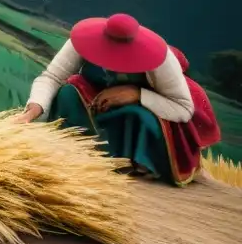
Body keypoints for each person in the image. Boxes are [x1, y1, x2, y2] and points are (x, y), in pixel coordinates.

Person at [14, 13, 221, 185]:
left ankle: (132, 160)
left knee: (138, 116)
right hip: (96, 105)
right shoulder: (80, 42)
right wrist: (34, 109)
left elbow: (183, 109)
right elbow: (52, 77)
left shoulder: (162, 59)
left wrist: (136, 94)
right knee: (68, 92)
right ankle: (80, 147)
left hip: (142, 111)